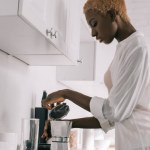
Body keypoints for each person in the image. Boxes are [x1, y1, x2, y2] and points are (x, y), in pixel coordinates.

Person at [42, 0, 150, 149]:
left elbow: (113, 112)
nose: (92, 33)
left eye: (94, 24)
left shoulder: (137, 49)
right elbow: (110, 118)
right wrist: (66, 124)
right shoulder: (125, 48)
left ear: (112, 15)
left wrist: (66, 93)